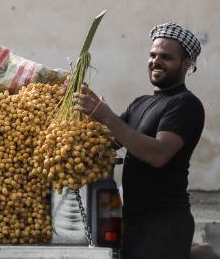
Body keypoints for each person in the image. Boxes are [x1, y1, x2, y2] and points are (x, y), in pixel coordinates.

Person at [73, 22, 205, 259]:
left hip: (164, 224)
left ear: (187, 64)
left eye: (166, 57)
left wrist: (107, 116)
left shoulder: (185, 104)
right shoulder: (139, 103)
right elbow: (109, 142)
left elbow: (158, 154)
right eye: (152, 55)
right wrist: (80, 118)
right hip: (133, 222)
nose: (156, 61)